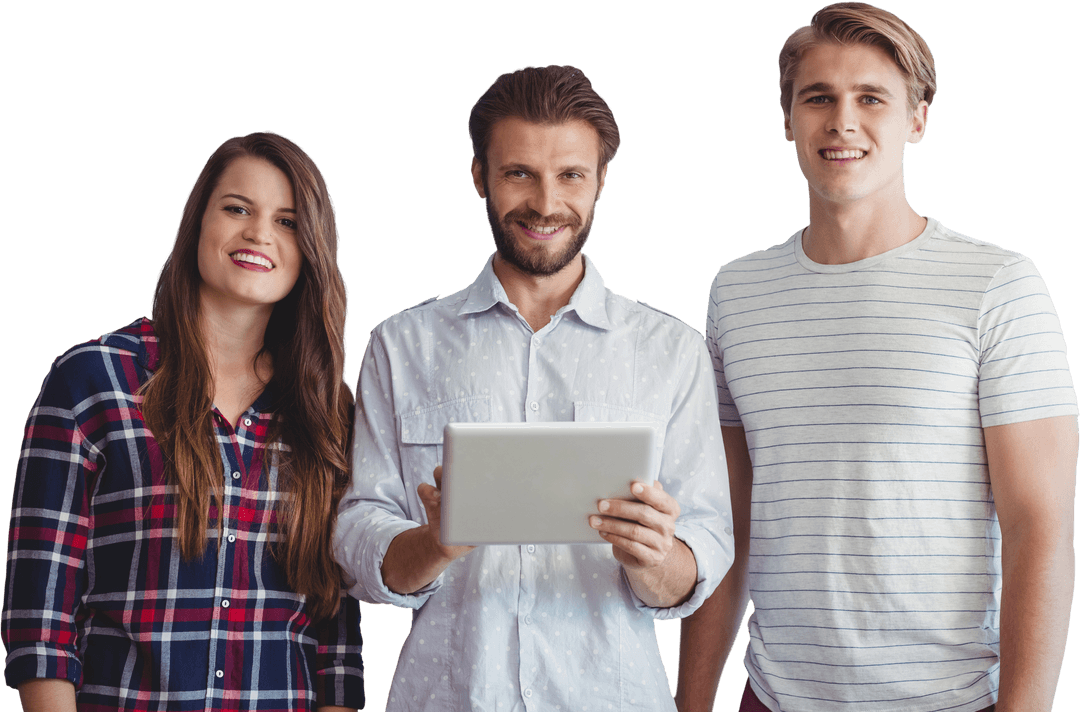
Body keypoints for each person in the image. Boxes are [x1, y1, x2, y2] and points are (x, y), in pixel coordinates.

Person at [676, 3, 1078, 711]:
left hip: (948, 700)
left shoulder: (997, 285)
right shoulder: (735, 292)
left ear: (916, 119)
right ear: (788, 120)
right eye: (818, 98)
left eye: (871, 98)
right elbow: (728, 523)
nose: (842, 122)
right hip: (774, 699)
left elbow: (1037, 528)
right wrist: (692, 700)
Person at [334, 64, 734, 711]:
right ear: (479, 178)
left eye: (570, 174)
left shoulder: (673, 351)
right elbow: (356, 538)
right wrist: (432, 544)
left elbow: (706, 546)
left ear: (602, 180)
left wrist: (654, 558)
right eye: (519, 172)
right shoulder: (400, 346)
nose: (546, 203)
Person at [2, 132, 364, 711]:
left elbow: (335, 645)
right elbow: (39, 621)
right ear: (198, 222)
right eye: (237, 209)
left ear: (312, 250)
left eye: (288, 221)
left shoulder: (326, 412)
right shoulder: (92, 380)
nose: (259, 233)